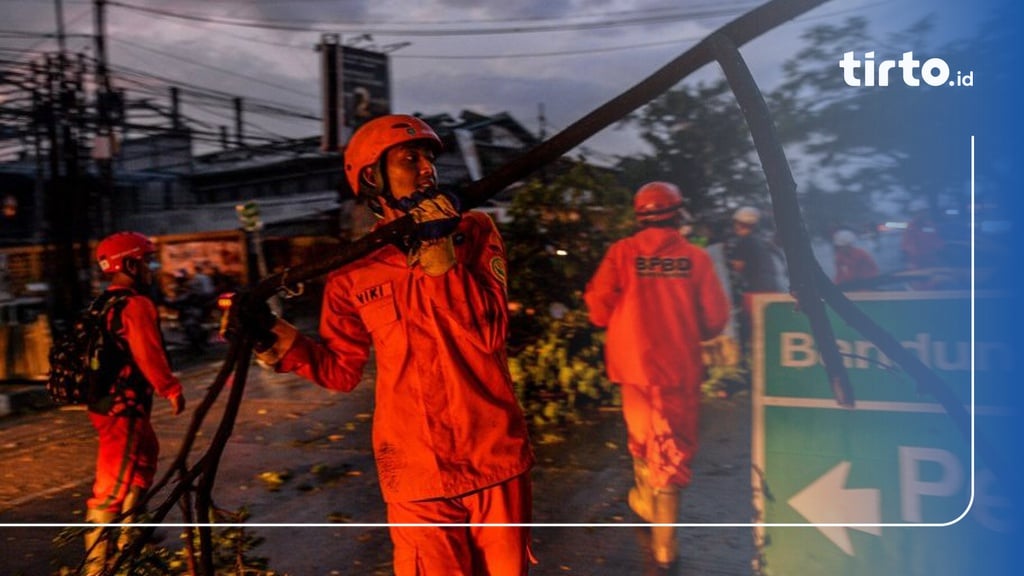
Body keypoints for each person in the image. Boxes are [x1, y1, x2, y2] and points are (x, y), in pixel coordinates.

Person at [227, 114, 535, 575]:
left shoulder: (474, 233)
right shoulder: (353, 269)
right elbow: (340, 369)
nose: (427, 168)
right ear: (372, 176)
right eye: (411, 158)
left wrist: (440, 250)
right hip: (414, 468)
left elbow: (488, 335)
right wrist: (271, 334)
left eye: (429, 158)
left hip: (493, 454)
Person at [583, 182, 730, 568]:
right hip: (678, 370)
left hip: (633, 372)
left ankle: (646, 504)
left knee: (643, 441)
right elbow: (715, 320)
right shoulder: (695, 259)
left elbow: (598, 310)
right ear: (678, 214)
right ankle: (665, 546)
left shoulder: (622, 253)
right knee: (673, 451)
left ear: (639, 215)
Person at [85, 231, 187, 575]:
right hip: (122, 408)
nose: (151, 268)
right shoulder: (136, 305)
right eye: (146, 261)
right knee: (112, 487)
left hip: (110, 403)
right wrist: (170, 388)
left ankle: (132, 541)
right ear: (129, 263)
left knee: (144, 460)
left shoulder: (104, 302)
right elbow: (148, 353)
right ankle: (96, 566)